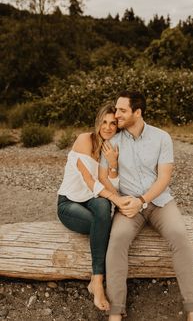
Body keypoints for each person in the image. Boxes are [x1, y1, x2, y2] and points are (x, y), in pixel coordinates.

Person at [100, 91, 193, 321]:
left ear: (137, 112)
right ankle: (115, 312)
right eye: (116, 109)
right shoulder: (112, 141)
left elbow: (164, 178)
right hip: (128, 206)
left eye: (122, 110)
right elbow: (105, 178)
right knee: (117, 241)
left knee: (180, 236)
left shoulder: (161, 137)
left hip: (158, 202)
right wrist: (124, 201)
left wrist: (143, 201)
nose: (116, 114)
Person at [57, 103, 130, 312]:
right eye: (104, 122)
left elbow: (109, 187)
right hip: (69, 203)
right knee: (102, 223)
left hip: (92, 200)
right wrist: (117, 201)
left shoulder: (110, 147)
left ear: (118, 126)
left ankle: (95, 281)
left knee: (102, 204)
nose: (107, 127)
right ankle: (97, 283)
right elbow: (90, 182)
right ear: (98, 122)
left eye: (113, 123)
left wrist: (113, 164)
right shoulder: (84, 139)